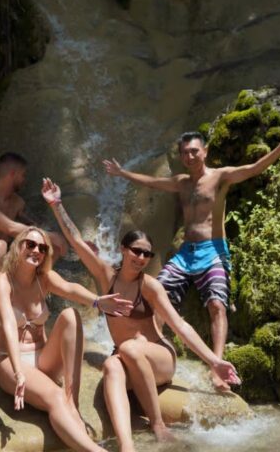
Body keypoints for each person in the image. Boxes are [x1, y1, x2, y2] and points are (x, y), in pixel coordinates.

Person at [103, 123, 280, 392]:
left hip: (213, 250)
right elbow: (152, 182)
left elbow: (253, 169)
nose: (190, 157)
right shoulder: (181, 183)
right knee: (155, 293)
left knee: (216, 304)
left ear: (205, 151)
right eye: (185, 153)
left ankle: (218, 366)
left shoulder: (220, 176)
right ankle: (152, 349)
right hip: (186, 252)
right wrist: (122, 173)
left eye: (194, 151)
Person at [41, 178, 240, 451]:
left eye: (147, 254)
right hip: (126, 358)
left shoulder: (150, 286)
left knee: (130, 348)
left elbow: (179, 325)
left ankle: (157, 423)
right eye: (136, 251)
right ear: (123, 250)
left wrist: (214, 361)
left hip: (158, 358)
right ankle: (126, 447)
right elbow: (76, 241)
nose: (142, 258)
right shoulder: (105, 275)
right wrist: (56, 204)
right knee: (111, 365)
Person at [0, 226, 131, 452]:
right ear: (17, 247)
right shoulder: (2, 281)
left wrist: (97, 301)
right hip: (11, 360)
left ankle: (72, 404)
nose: (36, 250)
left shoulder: (43, 279)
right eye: (30, 244)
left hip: (43, 358)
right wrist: (18, 373)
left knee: (71, 316)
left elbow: (69, 288)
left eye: (42, 248)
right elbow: (8, 323)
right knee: (54, 397)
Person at [0, 152, 69, 285]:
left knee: (52, 245)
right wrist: (49, 236)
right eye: (23, 175)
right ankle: (1, 298)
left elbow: (36, 226)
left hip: (7, 259)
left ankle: (33, 287)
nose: (24, 180)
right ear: (13, 174)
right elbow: (9, 227)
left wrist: (66, 242)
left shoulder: (18, 203)